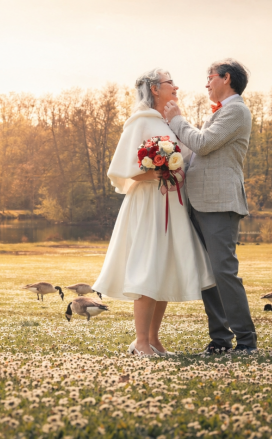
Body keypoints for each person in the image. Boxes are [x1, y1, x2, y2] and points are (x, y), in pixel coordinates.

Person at [92, 68, 215, 356]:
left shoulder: (169, 122)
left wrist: (175, 170)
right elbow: (127, 171)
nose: (177, 87)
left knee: (163, 268)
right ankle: (141, 342)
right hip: (149, 204)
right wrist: (160, 173)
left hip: (173, 204)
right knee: (147, 269)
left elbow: (187, 157)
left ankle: (154, 340)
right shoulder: (140, 123)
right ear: (155, 89)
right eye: (171, 82)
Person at [163, 59, 258, 354]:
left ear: (225, 78)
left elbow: (203, 144)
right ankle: (219, 340)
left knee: (223, 271)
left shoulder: (236, 111)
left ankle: (245, 341)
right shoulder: (221, 113)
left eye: (209, 77)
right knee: (209, 274)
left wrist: (178, 119)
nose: (206, 83)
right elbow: (197, 154)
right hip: (201, 202)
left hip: (219, 204)